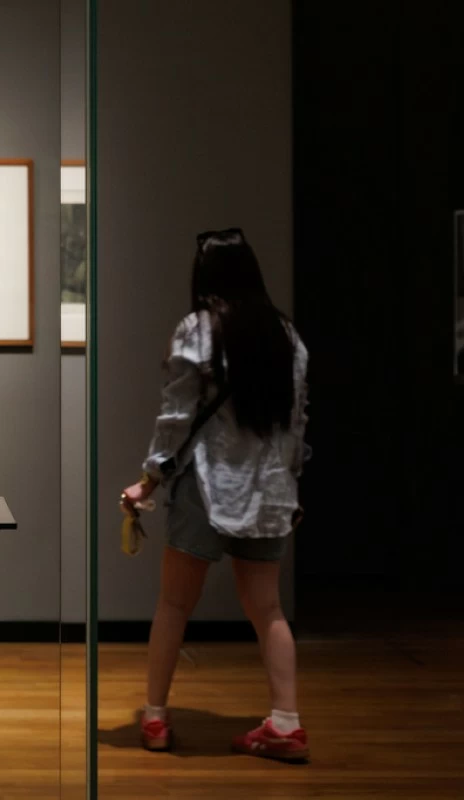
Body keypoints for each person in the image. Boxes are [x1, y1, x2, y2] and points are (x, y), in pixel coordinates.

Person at [120, 228, 310, 762]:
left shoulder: (197, 330)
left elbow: (175, 419)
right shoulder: (287, 337)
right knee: (269, 610)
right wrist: (291, 485)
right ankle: (286, 723)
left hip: (206, 486)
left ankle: (155, 718)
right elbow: (296, 424)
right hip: (270, 488)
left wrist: (149, 479)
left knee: (174, 604)